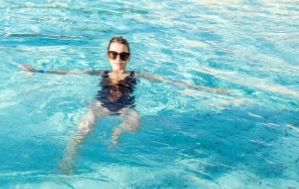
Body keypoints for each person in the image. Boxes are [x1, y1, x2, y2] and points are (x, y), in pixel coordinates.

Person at [21, 36, 228, 172]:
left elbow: (172, 82)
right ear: (108, 55)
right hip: (100, 107)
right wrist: (38, 71)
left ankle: (118, 132)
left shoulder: (136, 74)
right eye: (114, 54)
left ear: (128, 57)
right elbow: (69, 72)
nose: (118, 58)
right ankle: (67, 164)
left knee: (135, 124)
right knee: (82, 131)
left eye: (123, 55)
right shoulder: (102, 72)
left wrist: (211, 91)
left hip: (125, 108)